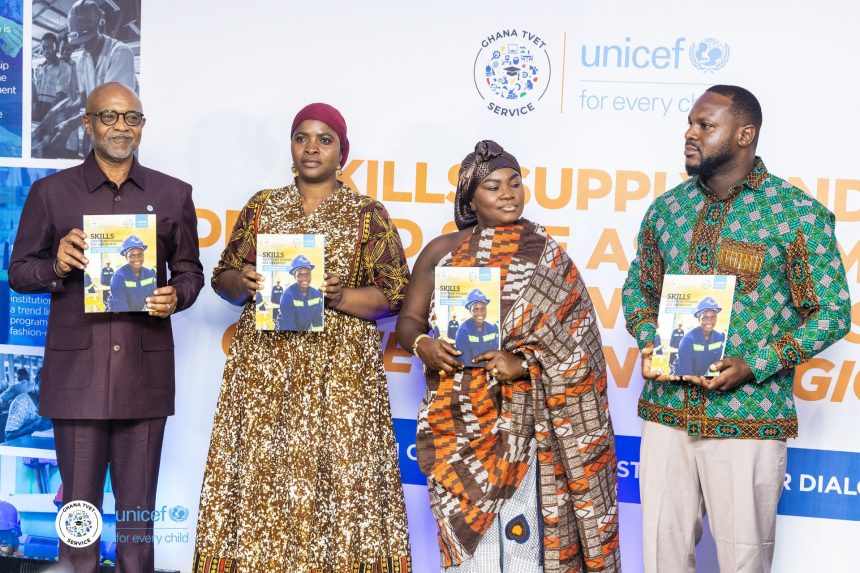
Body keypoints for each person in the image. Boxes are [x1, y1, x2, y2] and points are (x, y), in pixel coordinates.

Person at [622, 85, 851, 573]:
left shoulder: (795, 214)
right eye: (690, 123)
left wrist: (755, 364)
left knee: (744, 561)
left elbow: (833, 312)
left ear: (744, 134)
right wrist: (649, 339)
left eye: (705, 125)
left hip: (748, 416)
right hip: (666, 412)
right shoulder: (668, 210)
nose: (690, 133)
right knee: (661, 558)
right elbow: (638, 289)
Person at [194, 103, 411, 572]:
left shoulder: (367, 215)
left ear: (342, 152)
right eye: (302, 137)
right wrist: (243, 282)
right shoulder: (262, 206)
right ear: (291, 147)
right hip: (265, 370)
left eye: (324, 139)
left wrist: (341, 295)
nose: (312, 147)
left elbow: (396, 293)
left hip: (341, 374)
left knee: (341, 479)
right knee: (263, 475)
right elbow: (222, 279)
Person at [396, 140, 620, 572]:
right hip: (457, 419)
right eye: (493, 186)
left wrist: (525, 365)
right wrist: (424, 345)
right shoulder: (443, 251)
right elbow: (408, 322)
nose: (507, 194)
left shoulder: (547, 257)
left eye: (515, 183)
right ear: (470, 199)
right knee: (468, 549)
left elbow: (581, 347)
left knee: (523, 544)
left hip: (526, 421)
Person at [8, 82, 204, 573]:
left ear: (142, 125)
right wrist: (56, 265)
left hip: (144, 376)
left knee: (138, 521)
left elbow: (190, 272)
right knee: (79, 519)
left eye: (131, 117)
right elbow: (19, 273)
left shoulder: (172, 194)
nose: (121, 127)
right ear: (87, 123)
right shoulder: (51, 193)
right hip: (77, 378)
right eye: (109, 117)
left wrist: (176, 295)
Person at [32, 0, 137, 159]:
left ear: (100, 24)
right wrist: (49, 119)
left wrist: (69, 124)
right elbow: (81, 99)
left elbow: (112, 107)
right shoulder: (82, 59)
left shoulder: (120, 54)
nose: (84, 45)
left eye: (89, 38)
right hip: (96, 130)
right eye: (80, 41)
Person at [675, 297, 725, 376]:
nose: (709, 322)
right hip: (681, 376)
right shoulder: (688, 340)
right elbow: (685, 372)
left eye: (713, 317)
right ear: (699, 319)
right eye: (704, 318)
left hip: (702, 376)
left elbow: (715, 366)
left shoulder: (719, 338)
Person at [32, 32, 73, 122]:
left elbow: (60, 95)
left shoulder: (64, 67)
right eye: (44, 47)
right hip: (38, 112)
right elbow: (35, 95)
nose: (46, 50)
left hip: (53, 113)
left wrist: (48, 117)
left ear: (56, 48)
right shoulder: (40, 68)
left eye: (50, 47)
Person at [108, 235, 156, 312]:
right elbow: (121, 308)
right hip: (116, 314)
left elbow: (152, 299)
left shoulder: (149, 274)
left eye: (140, 255)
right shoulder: (118, 277)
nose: (137, 259)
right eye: (132, 256)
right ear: (126, 257)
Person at [277, 254, 324, 331]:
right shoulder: (287, 296)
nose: (304, 278)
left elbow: (317, 321)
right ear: (294, 277)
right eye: (300, 275)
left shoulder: (316, 294)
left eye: (307, 274)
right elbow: (289, 326)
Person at [453, 289, 499, 366]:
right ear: (470, 311)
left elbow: (495, 354)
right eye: (475, 310)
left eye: (483, 309)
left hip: (489, 368)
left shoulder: (492, 329)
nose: (480, 313)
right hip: (470, 369)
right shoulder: (463, 331)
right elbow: (465, 362)